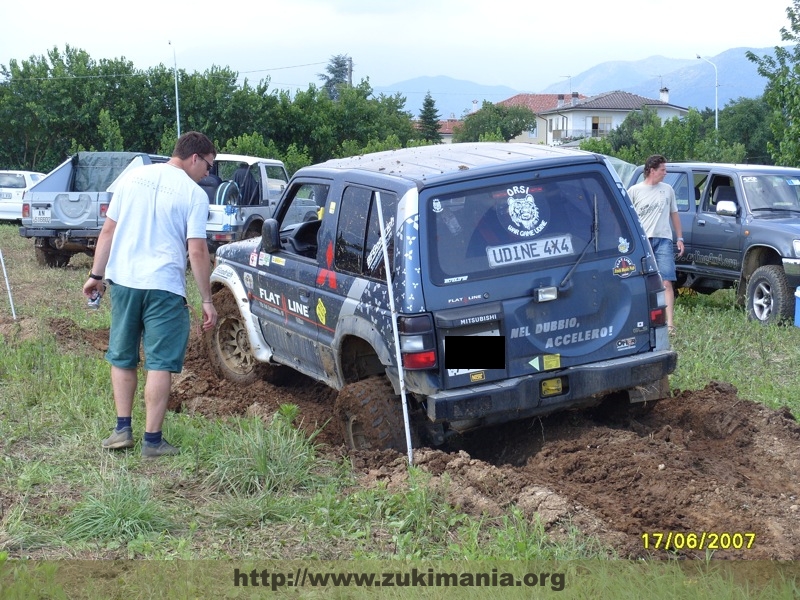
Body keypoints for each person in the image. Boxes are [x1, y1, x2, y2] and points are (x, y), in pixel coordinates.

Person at [83, 131, 218, 458]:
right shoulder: (194, 194)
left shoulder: (132, 178)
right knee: (159, 363)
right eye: (208, 166)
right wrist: (207, 299)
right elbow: (197, 251)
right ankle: (153, 442)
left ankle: (121, 430)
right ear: (194, 157)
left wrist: (95, 276)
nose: (208, 174)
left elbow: (108, 231)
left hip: (125, 282)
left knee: (123, 356)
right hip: (164, 287)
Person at [628, 154, 685, 335]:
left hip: (663, 240)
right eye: (663, 170)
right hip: (643, 242)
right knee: (641, 282)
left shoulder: (667, 190)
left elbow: (674, 214)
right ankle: (642, 320)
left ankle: (670, 324)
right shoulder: (634, 191)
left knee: (666, 281)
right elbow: (628, 218)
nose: (665, 173)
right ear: (652, 171)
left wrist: (680, 238)